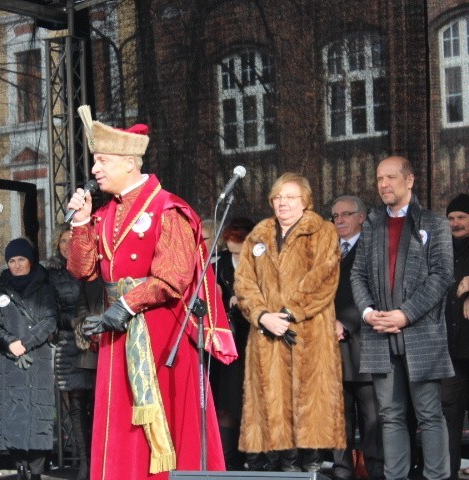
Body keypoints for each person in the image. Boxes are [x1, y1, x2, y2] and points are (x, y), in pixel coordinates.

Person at [66, 106, 236, 480]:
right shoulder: (104, 214)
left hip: (161, 334)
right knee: (119, 421)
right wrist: (80, 222)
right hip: (119, 333)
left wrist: (126, 304)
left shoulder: (168, 208)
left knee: (167, 421)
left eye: (102, 161)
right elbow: (82, 269)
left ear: (130, 162)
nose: (95, 170)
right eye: (96, 162)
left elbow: (172, 277)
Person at [351, 156, 454, 480]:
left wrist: (405, 314)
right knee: (390, 414)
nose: (384, 184)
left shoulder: (434, 224)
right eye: (380, 178)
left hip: (421, 334)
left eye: (391, 177)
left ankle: (436, 477)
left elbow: (441, 276)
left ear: (409, 180)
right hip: (379, 332)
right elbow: (357, 274)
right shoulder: (371, 225)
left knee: (428, 414)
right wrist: (369, 313)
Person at [234, 172, 344, 472]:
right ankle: (278, 467)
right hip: (267, 336)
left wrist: (288, 313)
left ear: (305, 201)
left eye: (290, 197)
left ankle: (309, 468)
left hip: (307, 334)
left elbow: (323, 280)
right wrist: (263, 316)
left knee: (309, 416)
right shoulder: (258, 234)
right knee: (271, 413)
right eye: (278, 197)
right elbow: (244, 284)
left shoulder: (323, 232)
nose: (283, 203)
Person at [0, 238, 58, 480]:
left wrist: (25, 343)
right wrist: (10, 343)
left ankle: (36, 470)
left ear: (30, 261)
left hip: (37, 356)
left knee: (38, 413)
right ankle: (19, 467)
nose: (16, 265)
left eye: (21, 259)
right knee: (12, 413)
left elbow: (50, 320)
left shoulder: (45, 288)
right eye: (12, 261)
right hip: (7, 359)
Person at [330, 196, 383, 480]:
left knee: (372, 419)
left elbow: (375, 291)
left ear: (361, 217)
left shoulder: (373, 249)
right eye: (335, 215)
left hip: (365, 346)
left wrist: (345, 321)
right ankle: (341, 472)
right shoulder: (327, 251)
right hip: (330, 348)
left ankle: (376, 471)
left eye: (346, 214)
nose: (339, 220)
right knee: (339, 419)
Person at [45, 224, 95, 480]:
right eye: (62, 241)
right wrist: (74, 323)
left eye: (71, 241)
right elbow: (49, 312)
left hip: (93, 344)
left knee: (97, 405)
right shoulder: (51, 274)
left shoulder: (90, 269)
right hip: (67, 344)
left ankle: (99, 459)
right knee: (76, 405)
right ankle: (84, 463)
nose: (67, 246)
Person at [210, 217, 254, 471]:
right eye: (231, 248)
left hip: (252, 337)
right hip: (226, 342)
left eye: (239, 248)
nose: (235, 254)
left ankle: (255, 459)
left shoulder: (261, 262)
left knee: (249, 402)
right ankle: (229, 462)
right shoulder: (219, 265)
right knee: (225, 403)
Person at [441, 193, 469, 480]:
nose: (456, 223)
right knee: (448, 413)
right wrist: (457, 287)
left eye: (461, 217)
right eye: (451, 218)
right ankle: (446, 473)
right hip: (449, 349)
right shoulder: (443, 251)